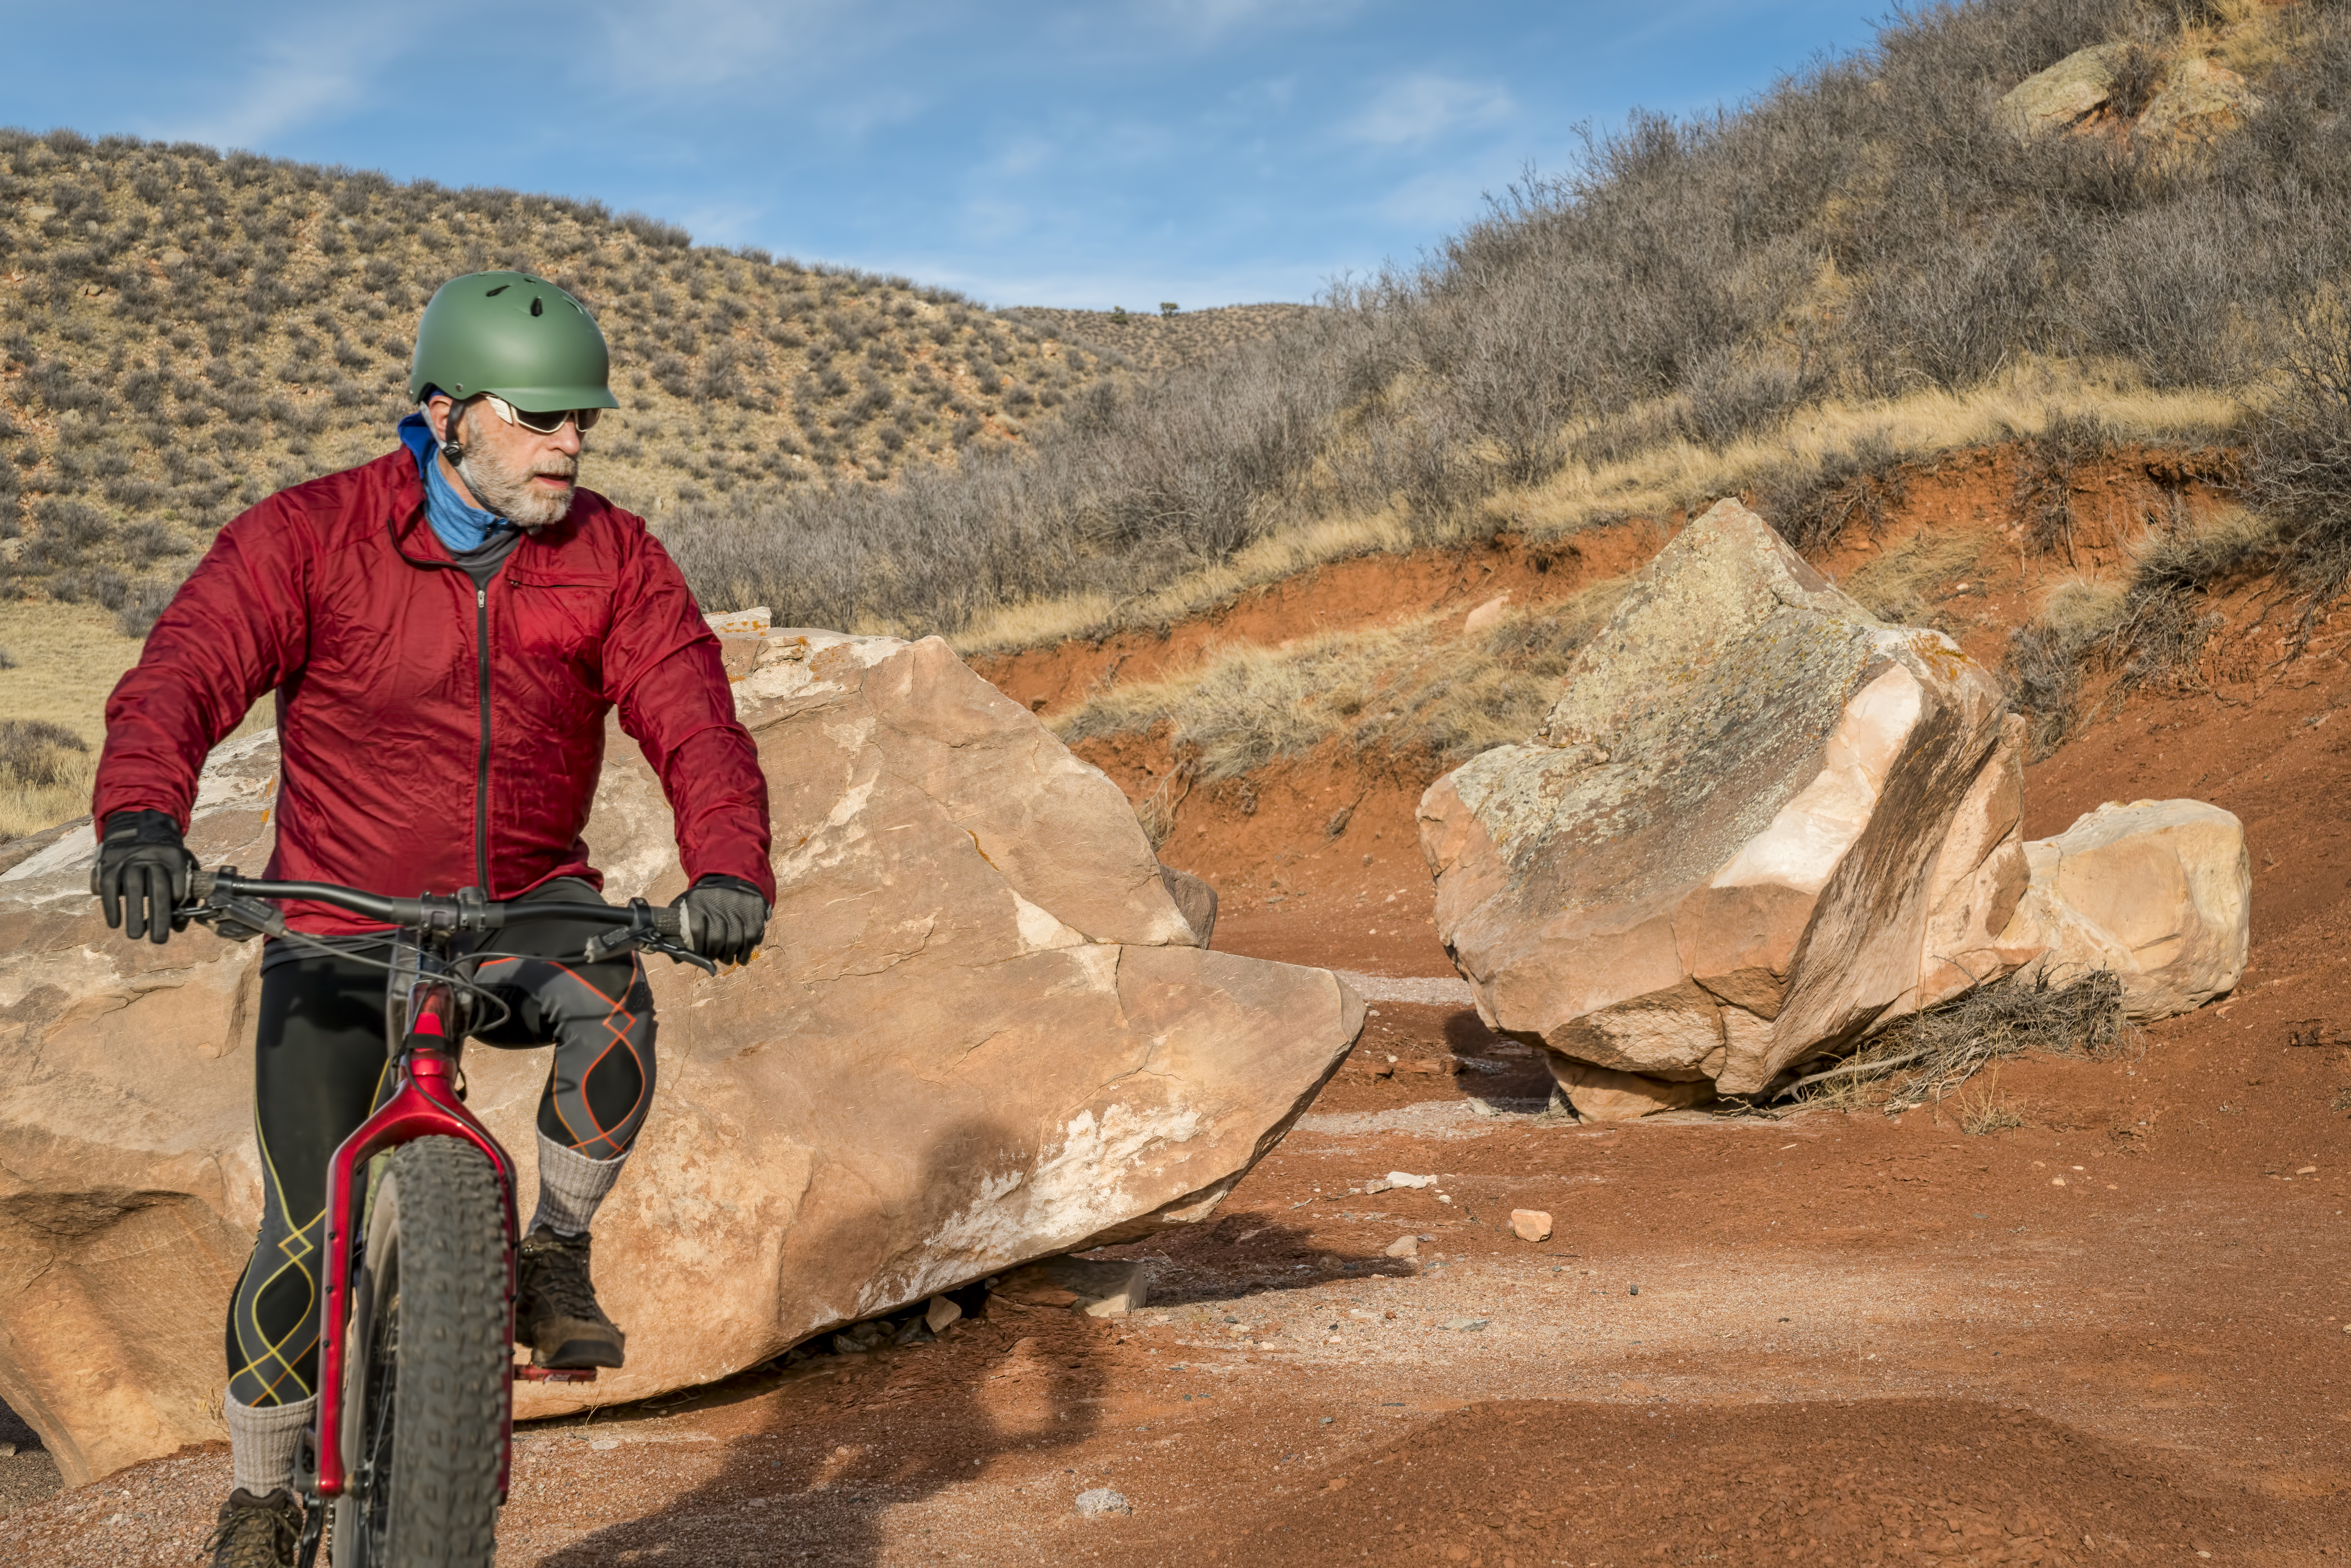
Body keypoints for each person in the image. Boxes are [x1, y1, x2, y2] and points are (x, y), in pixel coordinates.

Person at [88, 272, 775, 1568]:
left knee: (618, 1002)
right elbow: (185, 668)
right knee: (303, 1229)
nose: (572, 443)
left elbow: (694, 715)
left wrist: (729, 867)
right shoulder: (312, 537)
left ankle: (554, 1253)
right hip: (336, 921)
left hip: (524, 907)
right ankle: (266, 1492)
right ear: (446, 412)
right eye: (541, 417)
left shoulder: (611, 556)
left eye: (585, 419)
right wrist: (139, 820)